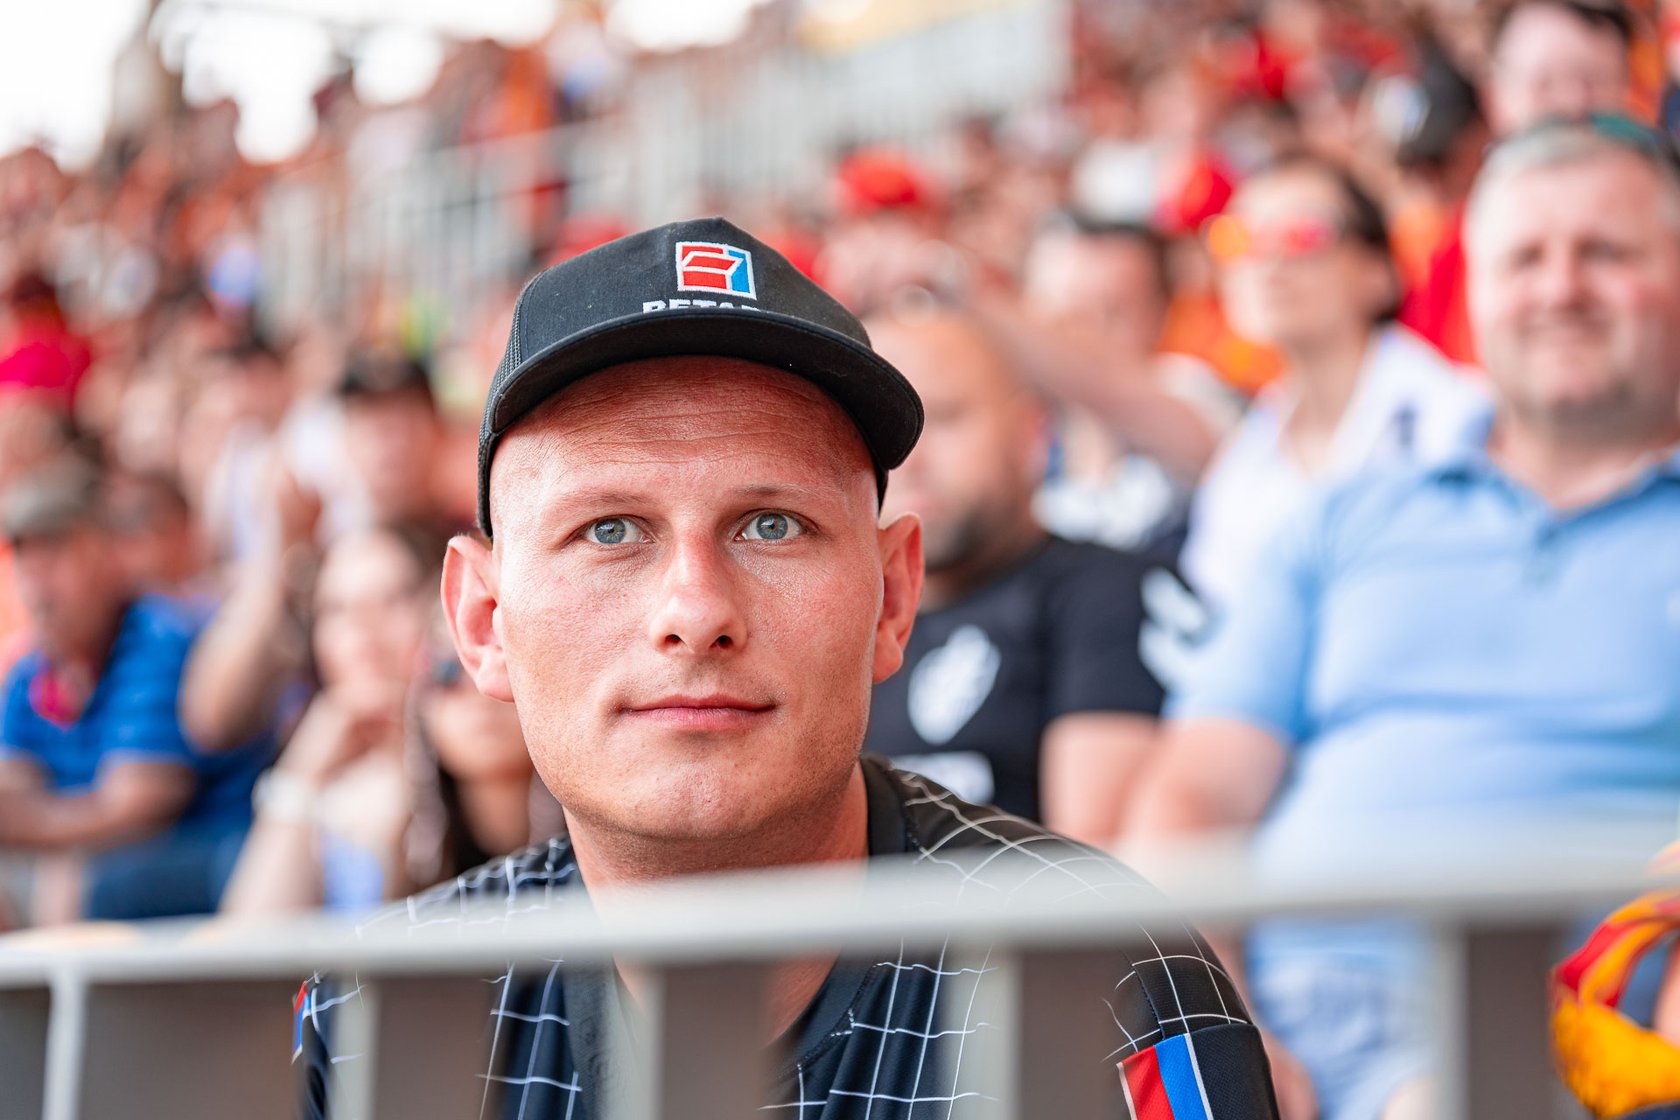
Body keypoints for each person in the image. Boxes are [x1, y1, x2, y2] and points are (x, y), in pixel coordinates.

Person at [296, 218, 1279, 1117]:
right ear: (482, 620)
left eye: (772, 525)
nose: (696, 612)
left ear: (892, 598)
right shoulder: (367, 1025)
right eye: (609, 530)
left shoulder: (1104, 991)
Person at [1131, 118, 1680, 1120]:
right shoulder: (1344, 515)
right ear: (1475, 293)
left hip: (1567, 1031)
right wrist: (1220, 1027)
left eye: (1606, 253)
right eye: (1525, 259)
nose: (1560, 289)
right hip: (1277, 1022)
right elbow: (1194, 796)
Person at [860, 307, 1173, 845]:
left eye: (945, 417)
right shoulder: (841, 614)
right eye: (883, 431)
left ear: (1033, 432)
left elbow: (1096, 864)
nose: (911, 459)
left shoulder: (1107, 592)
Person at [1180, 153, 1487, 613]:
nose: (1269, 261)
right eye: (1239, 238)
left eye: (1304, 235)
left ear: (1380, 271)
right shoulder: (1240, 468)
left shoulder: (1459, 416)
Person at [0, 457, 266, 923]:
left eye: (57, 550)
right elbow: (13, 788)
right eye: (26, 555)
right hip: (111, 871)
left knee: (78, 881)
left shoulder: (158, 636)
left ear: (107, 553)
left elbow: (139, 806)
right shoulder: (31, 672)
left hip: (211, 853)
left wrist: (37, 826)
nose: (39, 579)